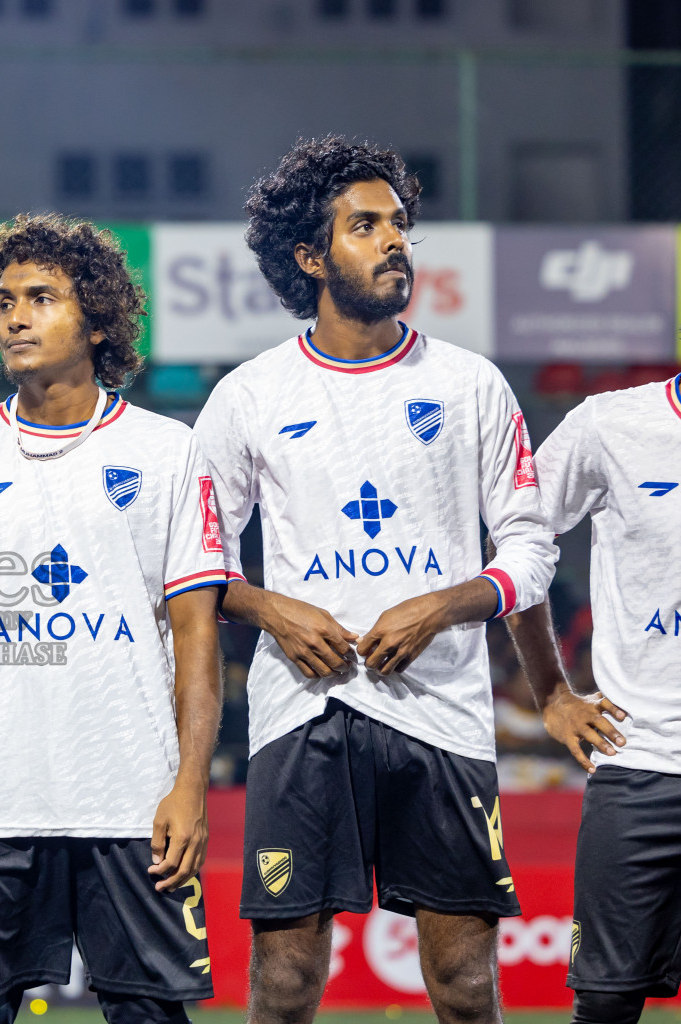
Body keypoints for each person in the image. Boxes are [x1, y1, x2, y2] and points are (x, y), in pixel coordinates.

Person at [194, 136, 557, 1024]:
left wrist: (445, 604)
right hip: (303, 714)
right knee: (283, 984)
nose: (395, 241)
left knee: (467, 987)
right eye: (366, 226)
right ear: (311, 256)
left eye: (399, 224)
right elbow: (193, 563)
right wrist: (271, 608)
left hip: (441, 713)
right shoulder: (249, 396)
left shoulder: (471, 386)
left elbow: (531, 549)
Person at [0, 214, 224, 1024]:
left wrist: (189, 783)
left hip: (131, 801)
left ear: (101, 319)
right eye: (5, 300)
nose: (14, 316)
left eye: (41, 297)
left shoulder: (167, 451)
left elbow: (195, 634)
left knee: (152, 1016)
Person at [499, 372, 681, 1024]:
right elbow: (519, 538)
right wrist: (552, 692)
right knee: (606, 1003)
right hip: (643, 762)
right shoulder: (610, 425)